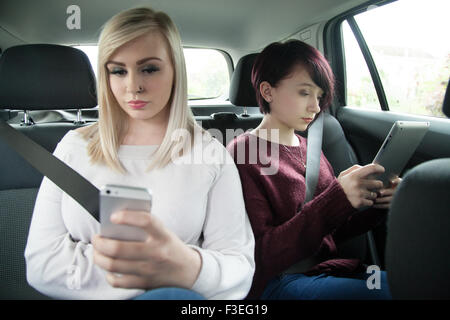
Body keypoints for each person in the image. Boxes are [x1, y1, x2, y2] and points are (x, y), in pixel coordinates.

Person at [25, 7, 255, 300]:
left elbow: (238, 269)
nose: (133, 86)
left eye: (149, 68)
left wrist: (186, 267)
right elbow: (41, 264)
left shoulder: (210, 155)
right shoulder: (73, 148)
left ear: (175, 70)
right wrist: (159, 273)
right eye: (118, 71)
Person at [226, 40, 401, 300]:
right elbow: (260, 255)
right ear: (267, 91)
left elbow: (329, 233)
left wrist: (375, 206)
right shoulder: (243, 154)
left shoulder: (311, 147)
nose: (316, 107)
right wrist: (338, 198)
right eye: (304, 93)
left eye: (319, 96)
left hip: (325, 270)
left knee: (413, 284)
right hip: (277, 280)